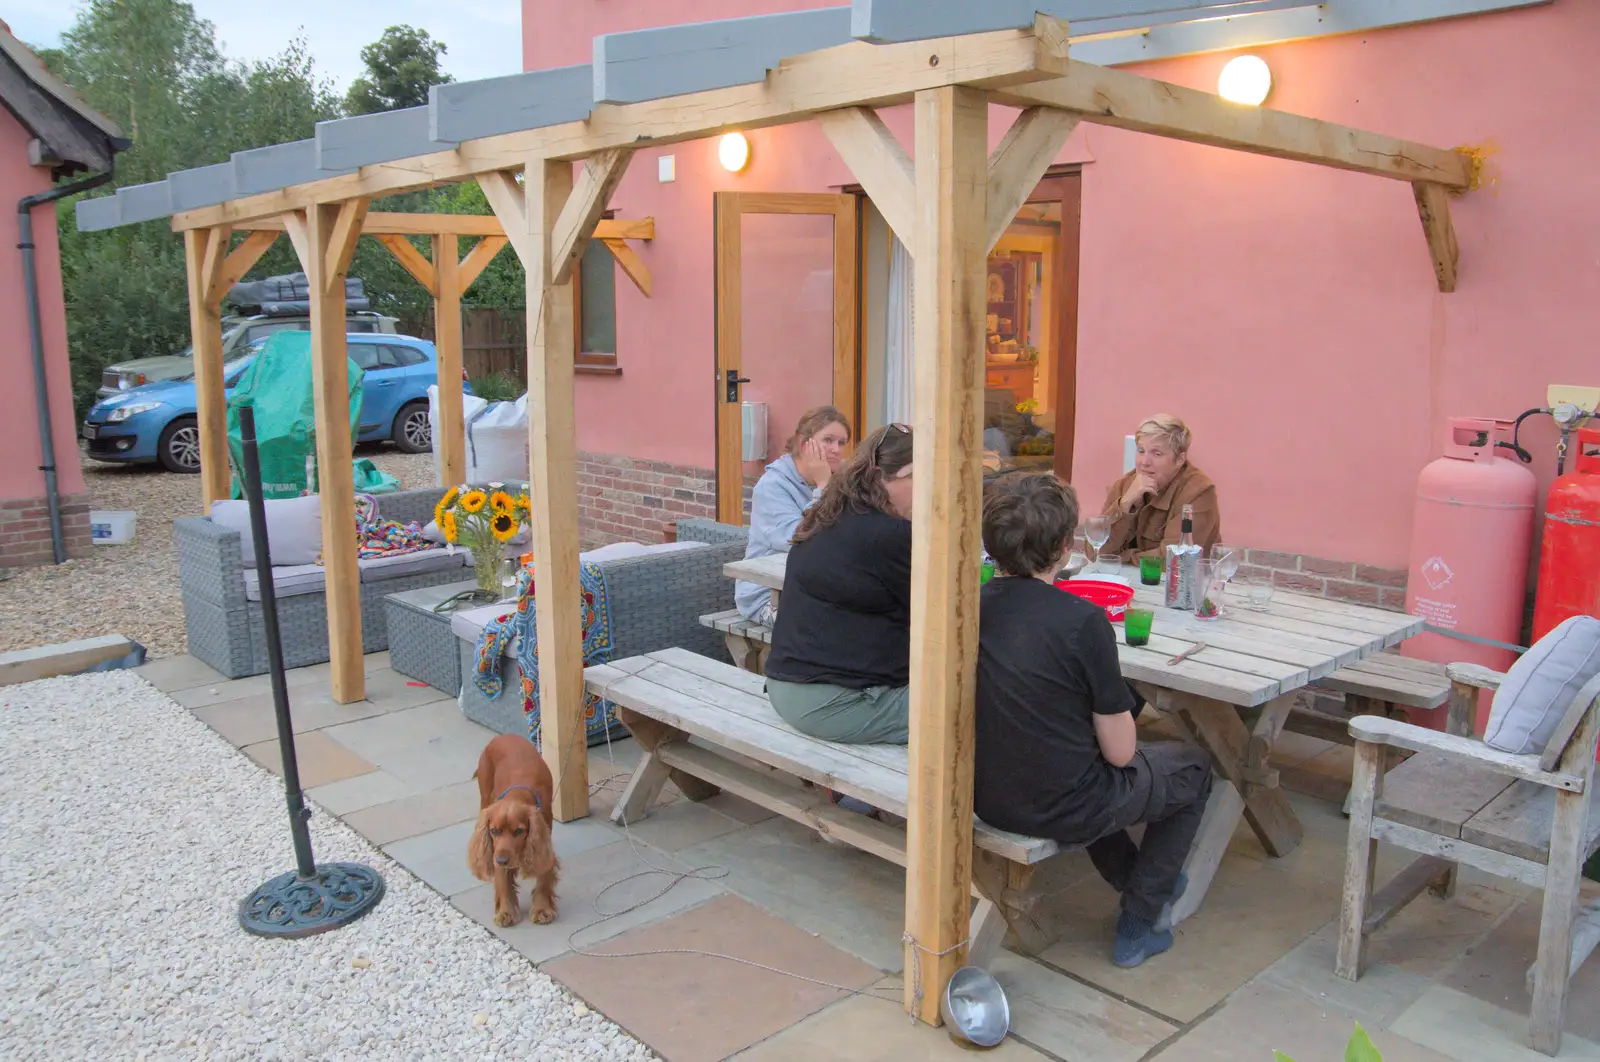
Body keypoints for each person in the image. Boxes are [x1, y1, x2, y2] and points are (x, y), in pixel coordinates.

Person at [975, 471, 1213, 968]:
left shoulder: (965, 607)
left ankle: (1136, 877)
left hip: (983, 792)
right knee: (1192, 768)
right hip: (1060, 804)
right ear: (1065, 546)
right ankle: (1140, 918)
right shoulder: (1081, 621)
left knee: (1082, 759)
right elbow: (1122, 754)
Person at [763, 423, 914, 746]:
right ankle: (871, 795)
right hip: (832, 703)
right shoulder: (889, 534)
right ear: (878, 477)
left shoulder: (831, 511)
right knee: (975, 709)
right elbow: (945, 616)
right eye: (917, 477)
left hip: (788, 686)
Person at [735, 406, 853, 624]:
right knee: (833, 629)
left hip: (822, 587)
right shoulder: (772, 486)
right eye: (828, 440)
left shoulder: (843, 480)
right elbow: (799, 540)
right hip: (769, 593)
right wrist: (824, 486)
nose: (836, 449)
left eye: (841, 442)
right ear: (803, 443)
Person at [1100, 414, 1221, 563]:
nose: (1144, 462)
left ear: (1179, 460)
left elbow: (1175, 559)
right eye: (1141, 451)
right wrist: (1124, 504)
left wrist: (1123, 557)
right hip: (1129, 581)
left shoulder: (1198, 492)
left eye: (1157, 454)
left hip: (1187, 583)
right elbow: (1096, 549)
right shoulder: (1123, 485)